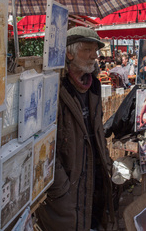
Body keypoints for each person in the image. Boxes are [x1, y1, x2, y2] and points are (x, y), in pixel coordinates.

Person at [36, 27, 115, 231]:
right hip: (68, 192)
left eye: (96, 50)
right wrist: (62, 187)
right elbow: (44, 147)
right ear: (69, 53)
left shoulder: (94, 87)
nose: (95, 55)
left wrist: (106, 163)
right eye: (88, 49)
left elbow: (97, 132)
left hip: (94, 182)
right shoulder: (54, 90)